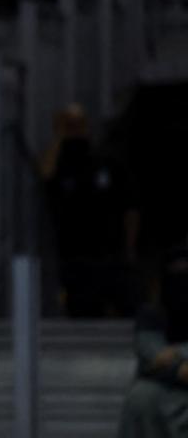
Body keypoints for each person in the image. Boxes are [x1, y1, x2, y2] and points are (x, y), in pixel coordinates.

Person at [40, 103, 139, 317]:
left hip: (111, 253)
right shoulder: (61, 163)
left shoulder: (107, 162)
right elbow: (46, 177)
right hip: (75, 255)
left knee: (123, 310)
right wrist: (60, 137)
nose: (74, 130)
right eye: (69, 125)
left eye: (78, 124)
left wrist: (129, 247)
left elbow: (130, 208)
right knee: (82, 309)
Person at [118, 245, 188, 437]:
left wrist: (178, 353)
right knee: (140, 398)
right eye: (177, 269)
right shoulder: (152, 314)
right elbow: (153, 356)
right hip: (161, 384)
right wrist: (179, 368)